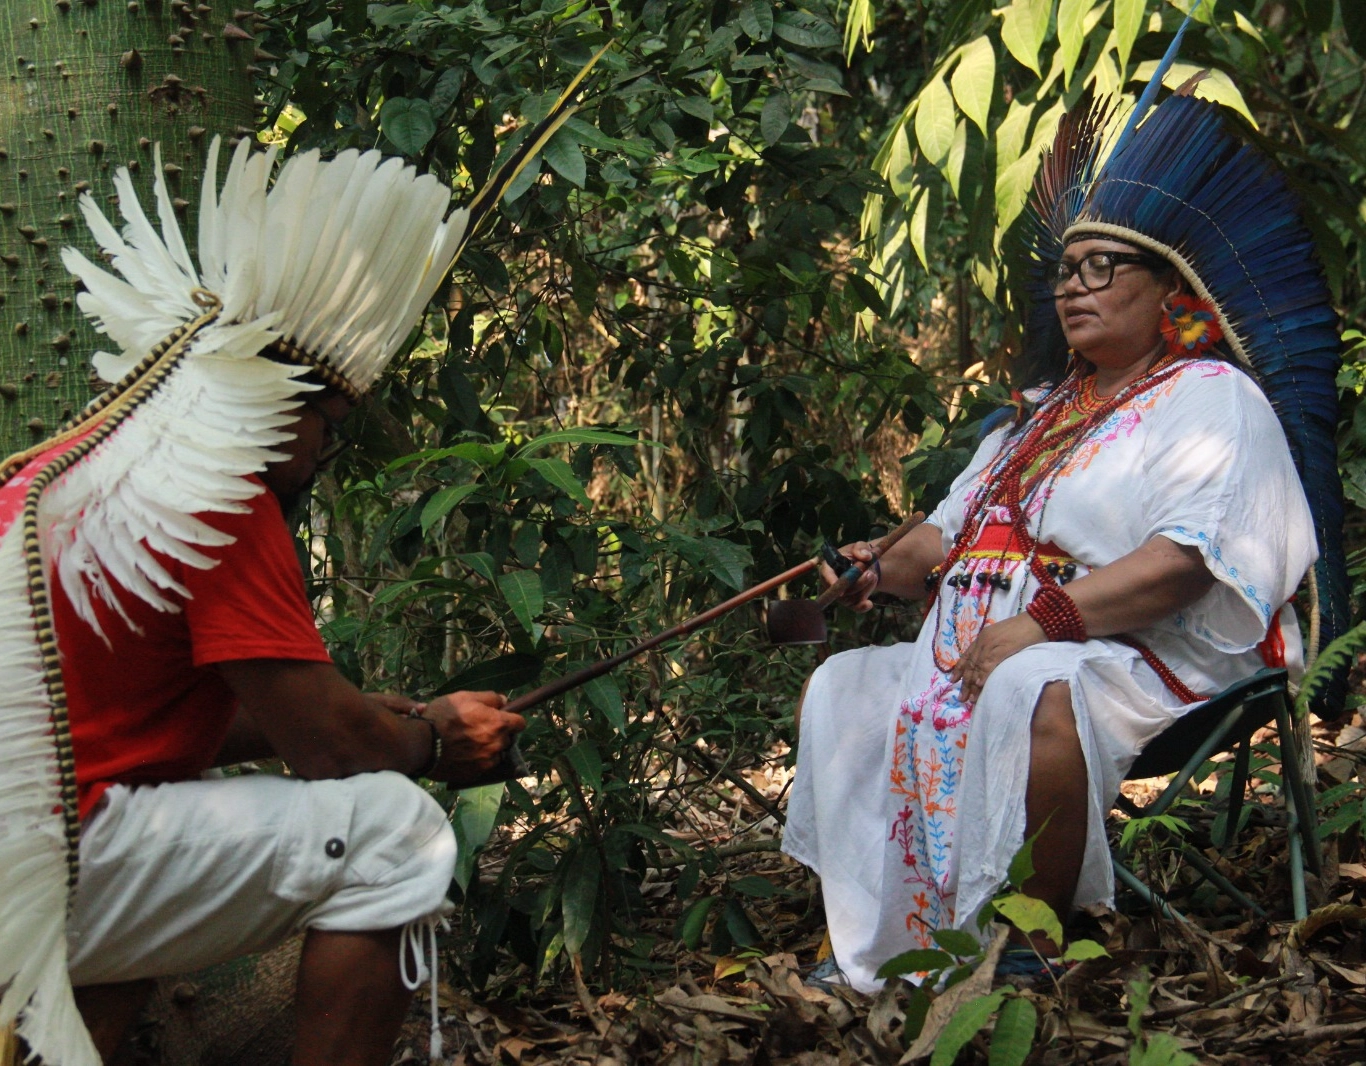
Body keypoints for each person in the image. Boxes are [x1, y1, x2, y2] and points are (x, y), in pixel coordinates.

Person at [782, 90, 1345, 992]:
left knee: (1035, 688)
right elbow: (947, 536)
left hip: (1140, 652)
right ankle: (878, 941)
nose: (1075, 286)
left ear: (1170, 288)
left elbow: (1186, 562)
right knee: (846, 685)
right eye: (1067, 271)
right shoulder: (1030, 421)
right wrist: (877, 567)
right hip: (981, 649)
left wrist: (1040, 621)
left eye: (1103, 267)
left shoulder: (1213, 399)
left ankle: (1025, 949)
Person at [0, 139, 526, 1066]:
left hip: (41, 851)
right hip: (50, 854)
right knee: (395, 834)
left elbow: (148, 717)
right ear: (283, 400)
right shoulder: (223, 490)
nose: (325, 452)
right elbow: (331, 752)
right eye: (329, 424)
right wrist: (428, 741)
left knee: (167, 834)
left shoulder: (72, 465)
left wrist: (377, 712)